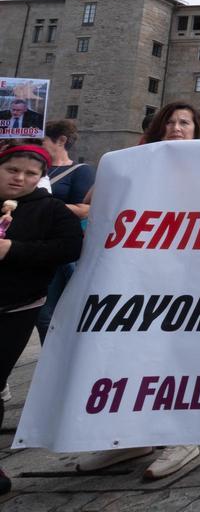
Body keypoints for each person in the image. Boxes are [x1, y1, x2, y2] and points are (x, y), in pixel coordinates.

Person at [76, 101, 200, 479]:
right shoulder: (136, 160)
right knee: (131, 349)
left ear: (197, 129)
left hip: (188, 274)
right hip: (141, 273)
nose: (176, 128)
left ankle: (181, 436)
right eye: (170, 122)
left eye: (184, 122)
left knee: (177, 349)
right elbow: (93, 202)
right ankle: (130, 437)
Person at [0, 144, 83, 495]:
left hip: (15, 308)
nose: (20, 177)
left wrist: (13, 250)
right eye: (12, 170)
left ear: (41, 178)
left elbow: (69, 249)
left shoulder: (52, 211)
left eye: (30, 173)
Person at [36, 120, 95, 344]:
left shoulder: (81, 171)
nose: (37, 145)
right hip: (31, 246)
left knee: (48, 315)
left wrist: (44, 205)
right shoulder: (33, 168)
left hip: (60, 251)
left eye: (41, 141)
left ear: (61, 140)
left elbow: (85, 209)